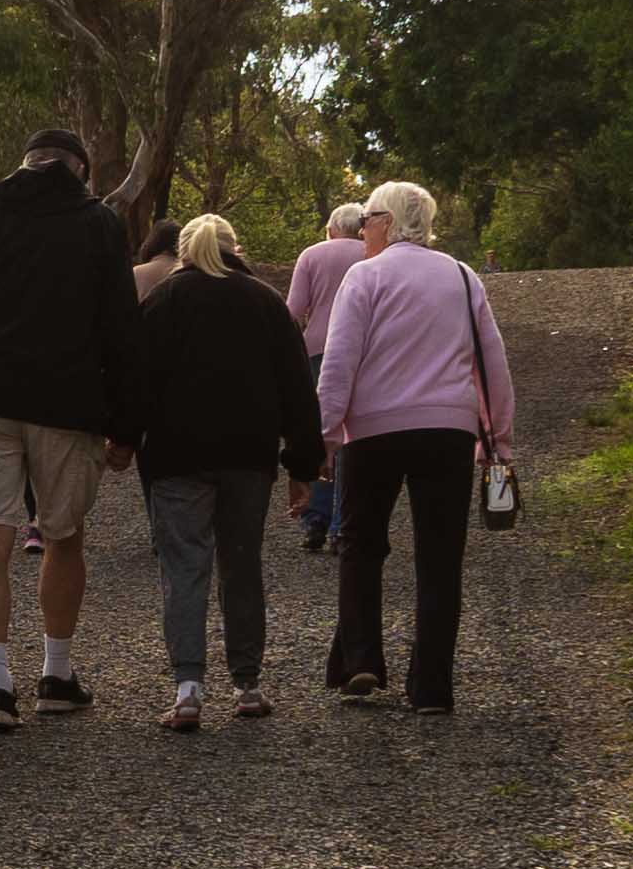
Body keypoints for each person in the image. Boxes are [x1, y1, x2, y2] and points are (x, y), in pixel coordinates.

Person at [0, 125, 144, 730]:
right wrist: (127, 425)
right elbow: (121, 328)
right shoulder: (98, 225)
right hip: (69, 406)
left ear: (27, 163)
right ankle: (55, 672)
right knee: (62, 535)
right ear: (78, 168)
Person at [318, 180, 521, 713]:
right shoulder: (461, 275)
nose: (362, 228)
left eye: (367, 218)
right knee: (439, 557)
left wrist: (325, 434)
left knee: (361, 544)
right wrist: (496, 437)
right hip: (447, 432)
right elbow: (490, 360)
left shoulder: (364, 277)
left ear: (388, 220)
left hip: (373, 432)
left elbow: (339, 362)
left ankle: (362, 659)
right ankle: (431, 687)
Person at [130, 215, 326, 729]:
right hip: (248, 460)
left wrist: (123, 441)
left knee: (184, 567)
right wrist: (301, 466)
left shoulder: (163, 303)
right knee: (242, 566)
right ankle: (248, 684)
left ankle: (188, 689)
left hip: (175, 460)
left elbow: (137, 381)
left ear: (185, 250)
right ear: (235, 248)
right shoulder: (266, 303)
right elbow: (298, 391)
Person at [283, 203, 372, 550]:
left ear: (332, 228)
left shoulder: (311, 255)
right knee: (353, 434)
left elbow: (293, 310)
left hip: (318, 349)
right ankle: (342, 522)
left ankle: (315, 519)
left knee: (320, 431)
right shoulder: (372, 254)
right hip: (363, 351)